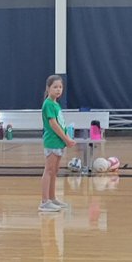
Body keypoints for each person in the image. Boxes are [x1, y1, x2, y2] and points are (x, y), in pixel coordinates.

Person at [40, 74, 77, 212]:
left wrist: (67, 138)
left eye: (60, 87)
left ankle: (52, 198)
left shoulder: (56, 104)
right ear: (48, 88)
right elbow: (54, 124)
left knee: (54, 171)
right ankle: (44, 201)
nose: (58, 89)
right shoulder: (48, 104)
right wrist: (66, 139)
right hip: (52, 141)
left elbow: (62, 124)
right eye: (55, 87)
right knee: (49, 170)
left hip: (59, 142)